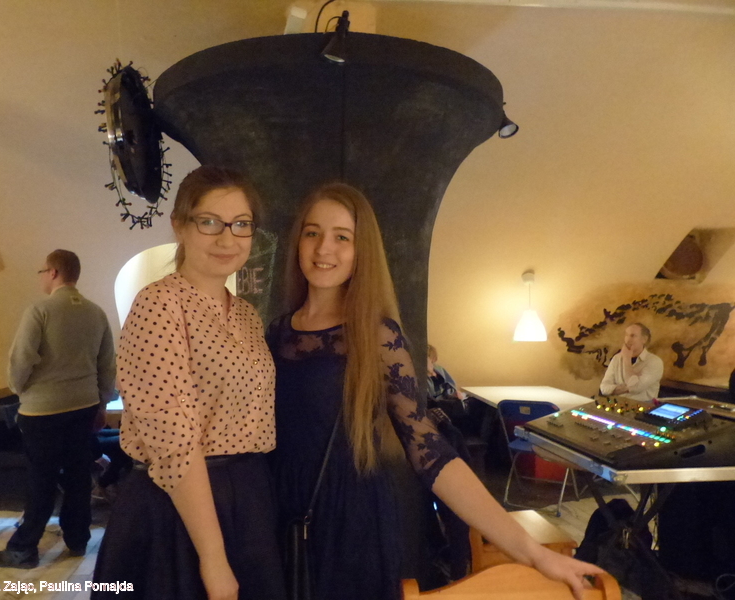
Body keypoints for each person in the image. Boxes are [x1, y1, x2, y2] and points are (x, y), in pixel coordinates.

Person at [267, 182, 603, 600]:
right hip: (279, 515)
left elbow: (430, 452)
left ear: (361, 251)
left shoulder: (376, 336)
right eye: (312, 232)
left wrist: (532, 552)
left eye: (342, 237)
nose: (323, 249)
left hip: (350, 523)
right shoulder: (277, 333)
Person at [91, 166, 286, 600]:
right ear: (180, 225)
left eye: (241, 224)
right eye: (209, 222)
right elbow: (174, 444)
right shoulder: (159, 304)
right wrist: (212, 557)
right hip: (179, 508)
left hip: (248, 498)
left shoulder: (246, 315)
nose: (227, 238)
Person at [0, 250, 116, 568]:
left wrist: (20, 389)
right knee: (78, 475)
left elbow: (21, 359)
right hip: (84, 406)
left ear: (52, 272)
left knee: (41, 479)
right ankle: (77, 539)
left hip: (43, 411)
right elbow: (107, 365)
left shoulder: (40, 310)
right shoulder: (96, 313)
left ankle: (24, 549)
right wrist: (101, 404)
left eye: (42, 272)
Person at [599, 323, 663, 402]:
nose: (628, 340)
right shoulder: (617, 358)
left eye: (633, 336)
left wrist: (626, 360)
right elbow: (604, 388)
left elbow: (635, 387)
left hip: (643, 406)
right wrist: (626, 389)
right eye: (626, 335)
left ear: (644, 339)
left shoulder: (655, 362)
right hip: (617, 404)